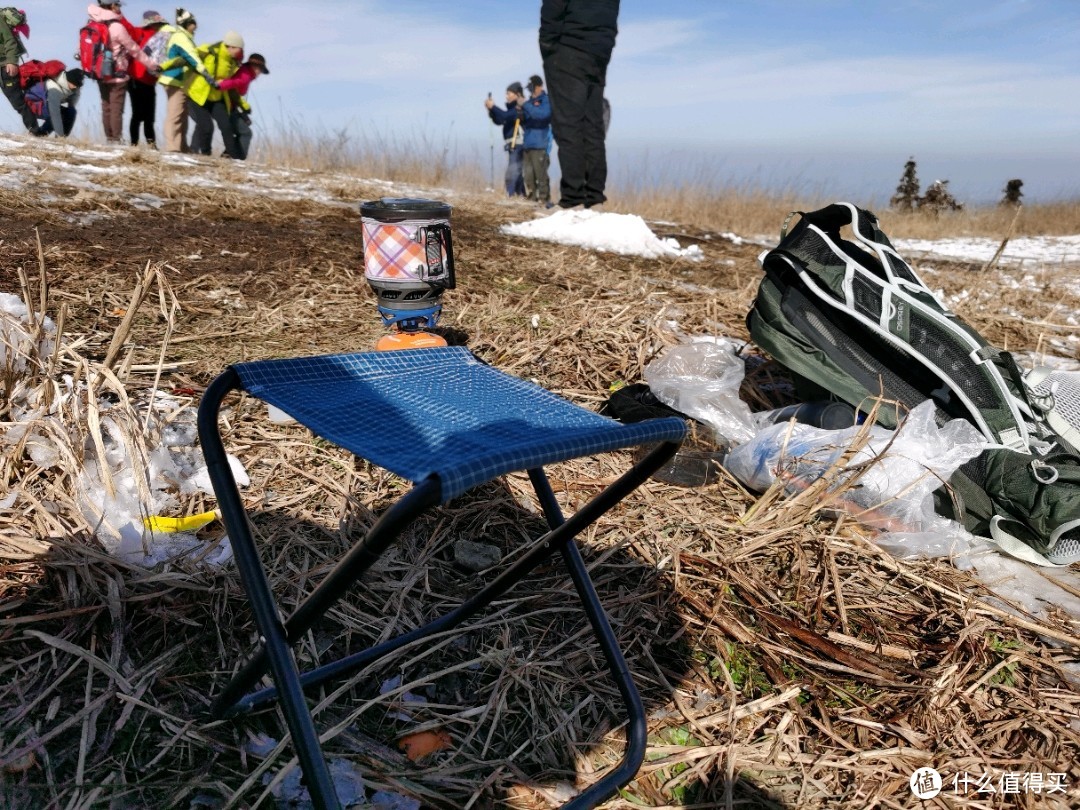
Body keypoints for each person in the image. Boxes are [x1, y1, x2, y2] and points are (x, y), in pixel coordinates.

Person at [539, 0, 619, 209]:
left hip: (569, 46)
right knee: (593, 124)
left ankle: (573, 199)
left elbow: (553, 7)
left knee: (568, 124)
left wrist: (547, 44)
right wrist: (606, 40)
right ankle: (594, 198)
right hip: (600, 49)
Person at [86, 1, 157, 144]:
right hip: (117, 74)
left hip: (99, 73)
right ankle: (116, 139)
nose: (119, 9)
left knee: (106, 107)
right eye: (118, 5)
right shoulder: (117, 27)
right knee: (116, 109)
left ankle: (109, 138)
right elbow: (134, 49)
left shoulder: (91, 24)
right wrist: (152, 65)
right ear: (112, 6)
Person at [156, 8, 214, 152]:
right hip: (175, 79)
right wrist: (204, 71)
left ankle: (181, 147)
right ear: (187, 23)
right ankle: (172, 148)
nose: (196, 25)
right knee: (175, 114)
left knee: (182, 116)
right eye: (193, 22)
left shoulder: (186, 37)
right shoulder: (181, 37)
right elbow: (191, 56)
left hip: (181, 82)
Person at [184, 31, 244, 159]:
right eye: (239, 49)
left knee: (226, 127)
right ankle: (206, 155)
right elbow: (189, 57)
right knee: (207, 128)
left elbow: (232, 84)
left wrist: (242, 104)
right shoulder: (209, 50)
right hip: (198, 96)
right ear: (231, 47)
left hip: (217, 98)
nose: (240, 53)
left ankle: (233, 158)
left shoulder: (233, 63)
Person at [125, 10, 170, 147]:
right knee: (138, 114)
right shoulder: (138, 32)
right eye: (157, 23)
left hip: (150, 81)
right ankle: (134, 144)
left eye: (160, 23)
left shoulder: (163, 36)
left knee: (150, 116)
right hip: (135, 78)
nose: (159, 25)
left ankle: (151, 144)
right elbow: (127, 30)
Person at [217, 51, 267, 160]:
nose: (259, 72)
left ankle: (227, 157)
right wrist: (218, 85)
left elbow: (235, 92)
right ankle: (238, 159)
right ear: (252, 66)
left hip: (231, 105)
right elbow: (231, 84)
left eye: (261, 70)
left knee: (242, 131)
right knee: (246, 133)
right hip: (227, 105)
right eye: (259, 68)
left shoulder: (246, 74)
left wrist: (244, 108)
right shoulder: (245, 75)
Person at [0, 7, 38, 134]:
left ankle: (35, 131)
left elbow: (9, 40)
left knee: (18, 103)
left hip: (5, 67)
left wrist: (11, 61)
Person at [484, 82, 526, 197]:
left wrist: (493, 107)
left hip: (518, 144)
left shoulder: (520, 107)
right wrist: (491, 111)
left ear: (517, 94)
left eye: (508, 93)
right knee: (517, 171)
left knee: (512, 171)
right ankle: (521, 195)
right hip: (513, 144)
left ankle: (511, 195)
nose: (506, 96)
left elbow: (505, 116)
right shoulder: (512, 109)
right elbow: (500, 120)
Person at [520, 74, 552, 206]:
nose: (530, 90)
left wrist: (525, 106)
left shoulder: (546, 100)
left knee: (541, 175)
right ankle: (532, 198)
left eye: (532, 87)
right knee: (528, 175)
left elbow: (543, 115)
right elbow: (526, 121)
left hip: (540, 144)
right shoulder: (528, 103)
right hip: (527, 144)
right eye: (528, 88)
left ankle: (544, 199)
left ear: (539, 87)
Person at [26, 68, 84, 137]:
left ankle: (61, 138)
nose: (75, 87)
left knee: (71, 112)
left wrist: (71, 106)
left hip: (44, 104)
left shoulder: (70, 87)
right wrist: (60, 136)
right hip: (31, 105)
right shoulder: (54, 89)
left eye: (78, 85)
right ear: (69, 80)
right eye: (75, 84)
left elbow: (74, 98)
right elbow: (55, 114)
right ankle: (40, 134)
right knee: (59, 114)